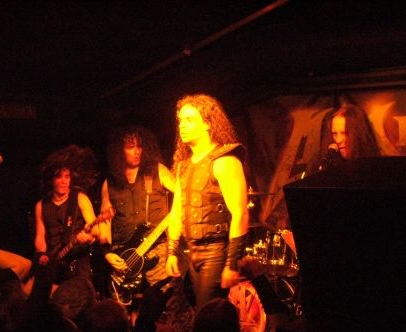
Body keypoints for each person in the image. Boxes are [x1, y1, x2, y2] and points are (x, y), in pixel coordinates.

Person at [165, 94, 250, 309]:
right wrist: (171, 252)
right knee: (202, 314)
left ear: (207, 123)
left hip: (216, 252)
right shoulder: (183, 165)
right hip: (191, 251)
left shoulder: (224, 161)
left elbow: (240, 212)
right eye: (180, 120)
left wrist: (232, 264)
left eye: (189, 119)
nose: (182, 125)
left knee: (207, 314)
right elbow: (176, 210)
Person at [99, 126, 175, 303]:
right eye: (130, 147)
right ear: (119, 150)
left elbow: (182, 196)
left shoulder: (157, 170)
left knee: (167, 299)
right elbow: (105, 221)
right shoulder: (110, 182)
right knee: (123, 308)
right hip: (123, 255)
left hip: (156, 248)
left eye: (139, 146)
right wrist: (107, 253)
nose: (137, 151)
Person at [34, 145, 100, 286]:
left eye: (67, 176)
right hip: (54, 265)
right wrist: (42, 254)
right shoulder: (41, 205)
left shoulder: (80, 198)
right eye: (59, 177)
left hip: (78, 262)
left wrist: (88, 238)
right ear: (51, 179)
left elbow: (96, 230)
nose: (64, 181)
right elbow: (40, 236)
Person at [317, 104, 381, 170]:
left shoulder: (375, 167)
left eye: (345, 133)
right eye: (334, 134)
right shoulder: (330, 164)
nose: (338, 140)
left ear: (358, 133)